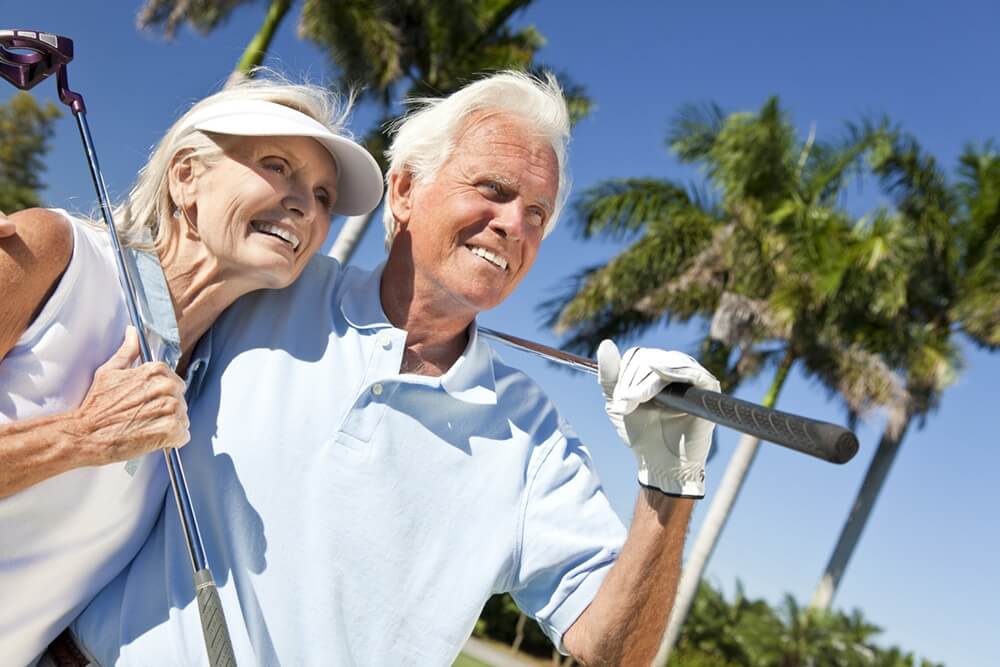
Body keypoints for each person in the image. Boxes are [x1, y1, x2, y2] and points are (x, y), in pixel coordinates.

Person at [75, 71, 720, 666]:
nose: (512, 227)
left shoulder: (534, 439)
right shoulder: (272, 285)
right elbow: (123, 275)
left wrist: (670, 485)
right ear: (406, 190)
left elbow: (614, 649)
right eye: (493, 191)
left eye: (536, 215)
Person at [0, 75, 383, 666]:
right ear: (186, 178)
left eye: (324, 196)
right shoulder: (52, 252)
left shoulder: (213, 386)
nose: (304, 204)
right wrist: (76, 437)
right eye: (277, 165)